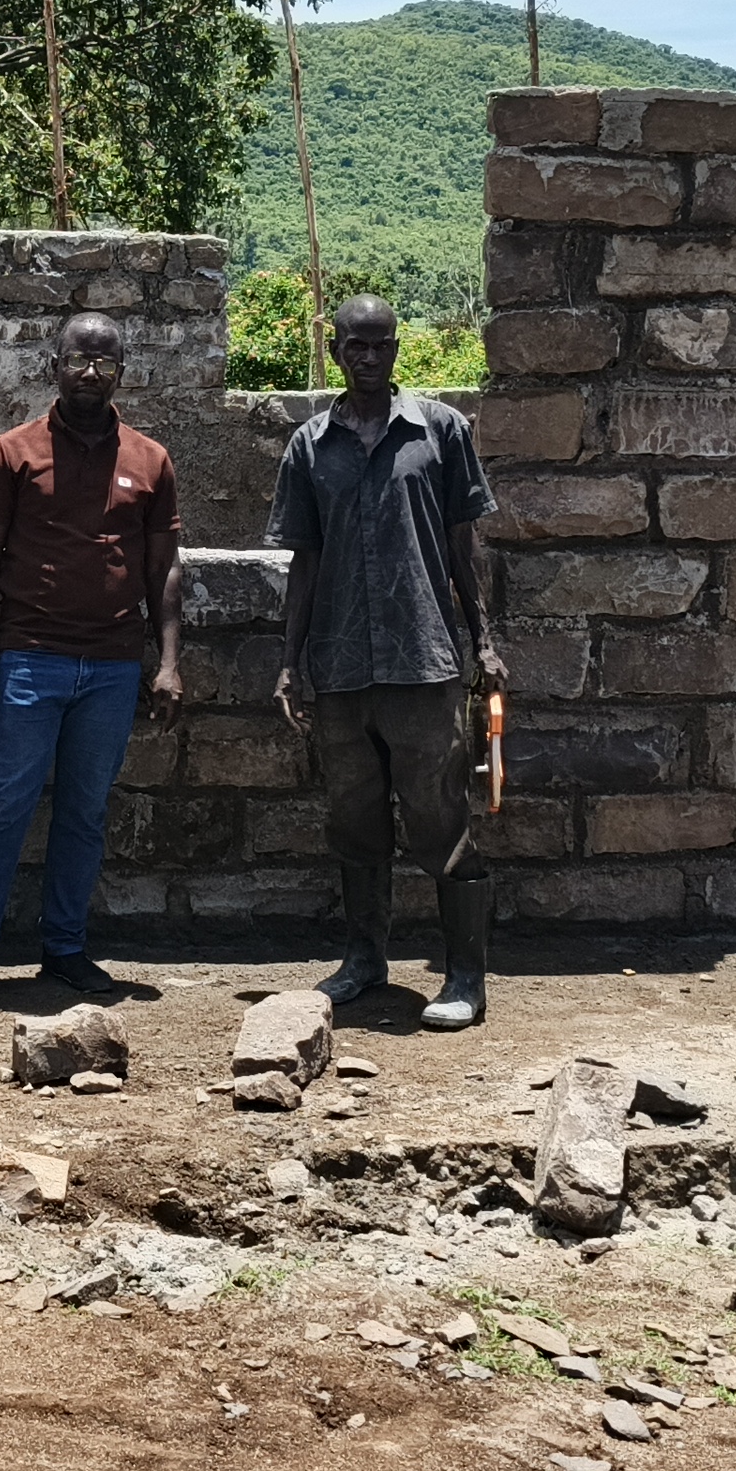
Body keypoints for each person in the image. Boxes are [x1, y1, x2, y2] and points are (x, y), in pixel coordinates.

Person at [0, 311, 186, 1009]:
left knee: (84, 813)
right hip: (30, 659)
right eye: (79, 360)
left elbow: (164, 569)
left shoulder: (150, 459)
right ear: (53, 366)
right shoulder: (13, 452)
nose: (91, 373)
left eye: (105, 362)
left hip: (110, 664)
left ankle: (65, 949)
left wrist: (167, 662)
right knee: (4, 808)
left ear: (123, 371)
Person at [268, 295, 506, 1030]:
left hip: (423, 659)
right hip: (340, 666)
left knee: (441, 820)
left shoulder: (440, 431)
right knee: (355, 820)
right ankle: (365, 959)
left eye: (381, 346)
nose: (368, 358)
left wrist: (485, 641)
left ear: (398, 350)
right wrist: (290, 663)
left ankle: (466, 977)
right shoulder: (310, 447)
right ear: (334, 351)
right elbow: (303, 564)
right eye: (354, 347)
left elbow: (465, 548)